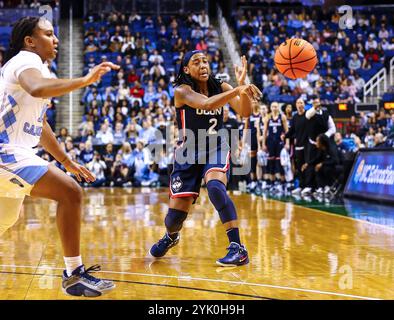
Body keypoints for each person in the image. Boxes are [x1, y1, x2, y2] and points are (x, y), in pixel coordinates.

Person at [0, 17, 119, 297]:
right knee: (70, 193)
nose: (56, 40)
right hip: (4, 151)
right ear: (30, 41)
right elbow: (38, 88)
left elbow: (40, 124)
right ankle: (74, 274)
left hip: (15, 152)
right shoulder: (24, 61)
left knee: (5, 220)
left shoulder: (40, 69)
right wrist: (85, 80)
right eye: (49, 34)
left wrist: (66, 161)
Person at [149, 51, 261, 266]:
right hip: (188, 152)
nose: (203, 65)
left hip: (215, 147)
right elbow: (208, 104)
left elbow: (245, 112)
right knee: (173, 219)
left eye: (205, 61)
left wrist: (242, 85)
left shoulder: (220, 85)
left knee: (216, 187)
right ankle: (171, 236)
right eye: (196, 62)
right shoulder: (181, 91)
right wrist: (238, 89)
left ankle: (238, 248)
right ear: (186, 70)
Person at [262, 102, 288, 193]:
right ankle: (272, 183)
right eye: (273, 106)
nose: (274, 108)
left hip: (279, 143)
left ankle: (282, 183)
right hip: (270, 142)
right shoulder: (268, 118)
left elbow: (287, 131)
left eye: (276, 106)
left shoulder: (282, 117)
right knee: (271, 163)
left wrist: (287, 142)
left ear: (278, 107)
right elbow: (265, 132)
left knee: (280, 163)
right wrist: (263, 144)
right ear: (271, 108)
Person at [284, 98, 308, 195]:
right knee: (298, 167)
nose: (299, 104)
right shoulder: (295, 117)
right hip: (298, 145)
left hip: (307, 145)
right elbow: (292, 131)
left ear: (304, 104)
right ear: (296, 105)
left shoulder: (307, 116)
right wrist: (285, 136)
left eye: (301, 102)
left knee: (307, 166)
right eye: (298, 103)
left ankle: (308, 186)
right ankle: (301, 186)